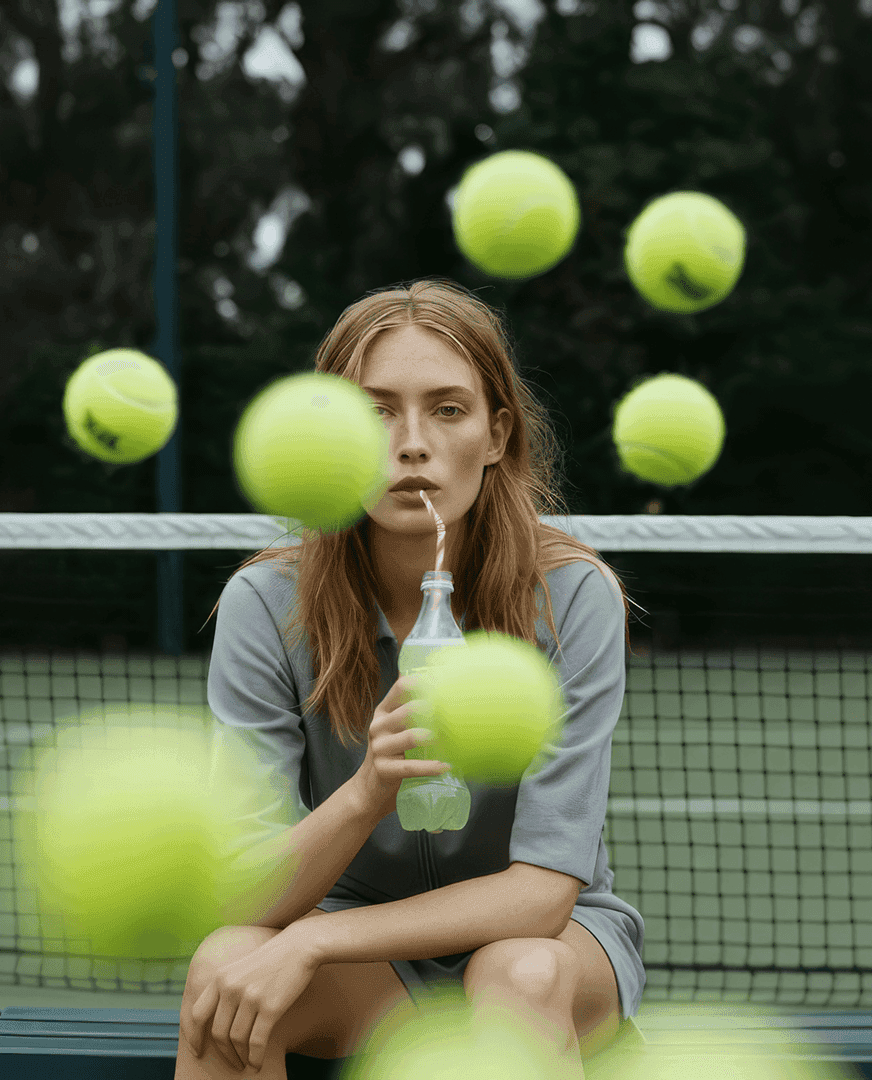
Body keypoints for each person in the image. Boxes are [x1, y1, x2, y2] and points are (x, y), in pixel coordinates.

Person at [179, 279, 644, 1079]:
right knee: (223, 968)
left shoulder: (571, 598)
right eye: (376, 411)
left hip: (544, 946)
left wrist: (318, 938)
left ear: (497, 434)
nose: (412, 443)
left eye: (449, 409)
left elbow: (540, 895)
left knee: (519, 974)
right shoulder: (265, 604)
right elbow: (243, 897)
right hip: (361, 955)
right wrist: (366, 794)